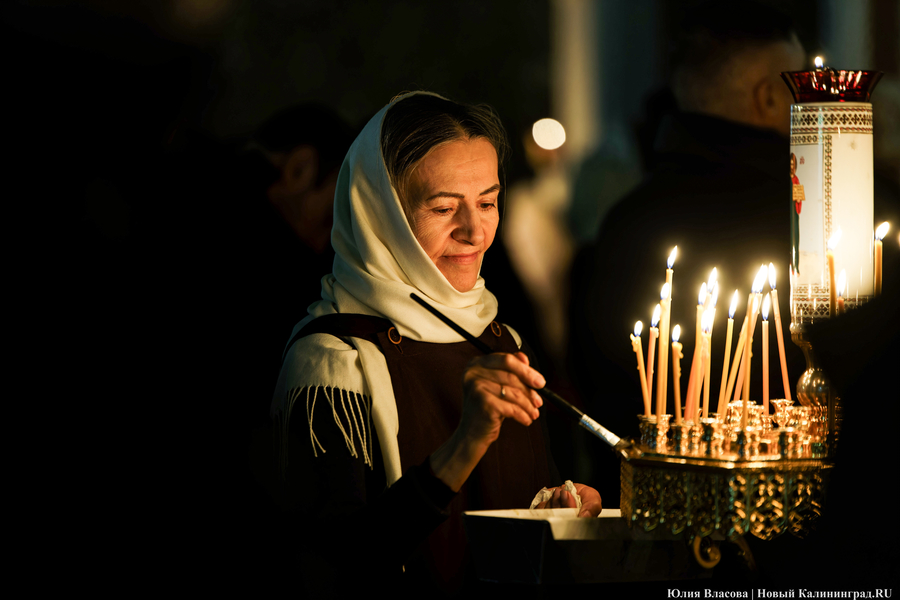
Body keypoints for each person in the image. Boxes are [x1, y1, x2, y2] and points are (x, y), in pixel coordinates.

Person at [269, 92, 602, 596]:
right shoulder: (333, 363)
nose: (474, 231)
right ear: (382, 216)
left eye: (488, 202)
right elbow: (339, 559)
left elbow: (513, 512)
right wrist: (466, 442)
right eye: (444, 207)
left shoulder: (500, 340)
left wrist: (559, 507)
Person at [567, 1, 808, 506]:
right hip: (789, 506)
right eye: (800, 86)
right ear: (768, 98)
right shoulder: (807, 215)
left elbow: (598, 380)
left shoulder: (625, 221)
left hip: (649, 508)